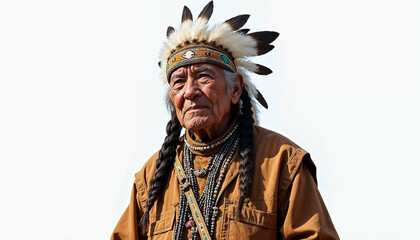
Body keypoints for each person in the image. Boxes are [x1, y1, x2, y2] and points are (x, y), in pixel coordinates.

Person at [111, 1, 339, 239]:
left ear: (236, 89)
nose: (190, 91)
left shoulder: (280, 162)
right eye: (178, 82)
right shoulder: (150, 178)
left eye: (204, 77)